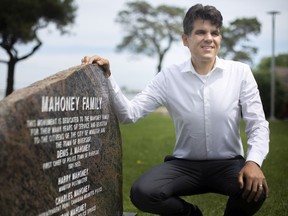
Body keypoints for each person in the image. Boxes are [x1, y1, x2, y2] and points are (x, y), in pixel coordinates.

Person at [81, 4, 269, 216]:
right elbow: (129, 114)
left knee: (256, 189)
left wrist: (253, 162)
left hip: (228, 165)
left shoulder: (241, 73)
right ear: (185, 39)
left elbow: (258, 124)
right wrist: (108, 76)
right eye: (201, 32)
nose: (209, 38)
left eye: (214, 33)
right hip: (184, 166)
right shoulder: (168, 77)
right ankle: (191, 215)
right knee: (143, 192)